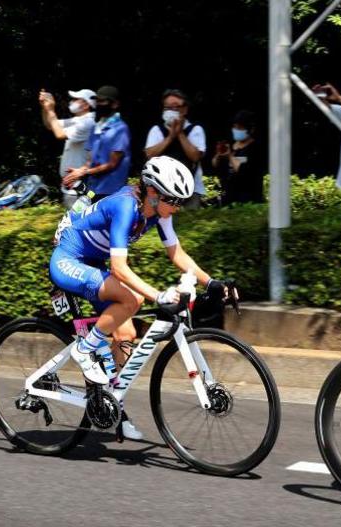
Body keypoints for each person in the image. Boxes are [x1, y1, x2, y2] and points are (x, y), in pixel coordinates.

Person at [50, 156, 227, 440]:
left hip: (93, 265)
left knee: (126, 334)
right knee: (132, 300)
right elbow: (119, 268)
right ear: (153, 193)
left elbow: (176, 254)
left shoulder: (159, 212)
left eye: (181, 201)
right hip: (68, 259)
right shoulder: (125, 206)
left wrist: (212, 282)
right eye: (174, 200)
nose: (177, 208)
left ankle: (112, 408)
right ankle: (85, 351)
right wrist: (158, 295)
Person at [62, 85, 130, 198]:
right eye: (97, 101)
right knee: (79, 214)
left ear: (115, 104)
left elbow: (112, 164)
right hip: (93, 191)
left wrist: (84, 172)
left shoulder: (121, 129)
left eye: (103, 101)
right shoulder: (95, 127)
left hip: (112, 192)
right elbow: (89, 162)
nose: (99, 104)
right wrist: (78, 172)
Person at [145, 89, 207, 203]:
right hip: (160, 189)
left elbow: (195, 156)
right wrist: (170, 137)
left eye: (175, 107)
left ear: (185, 109)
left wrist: (180, 133)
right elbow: (150, 154)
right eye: (167, 107)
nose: (170, 111)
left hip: (191, 190)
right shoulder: (157, 130)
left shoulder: (195, 130)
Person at [39, 88, 96, 203]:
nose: (72, 102)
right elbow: (50, 125)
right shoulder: (77, 120)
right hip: (72, 185)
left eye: (76, 99)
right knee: (73, 218)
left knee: (78, 218)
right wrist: (45, 107)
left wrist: (50, 109)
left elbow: (59, 134)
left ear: (86, 105)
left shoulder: (88, 122)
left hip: (82, 184)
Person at [211, 110, 266, 204]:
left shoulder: (256, 148)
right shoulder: (230, 144)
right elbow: (215, 164)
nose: (236, 130)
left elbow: (245, 172)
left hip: (248, 201)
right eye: (235, 127)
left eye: (240, 128)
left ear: (251, 129)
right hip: (229, 198)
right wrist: (218, 155)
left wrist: (230, 157)